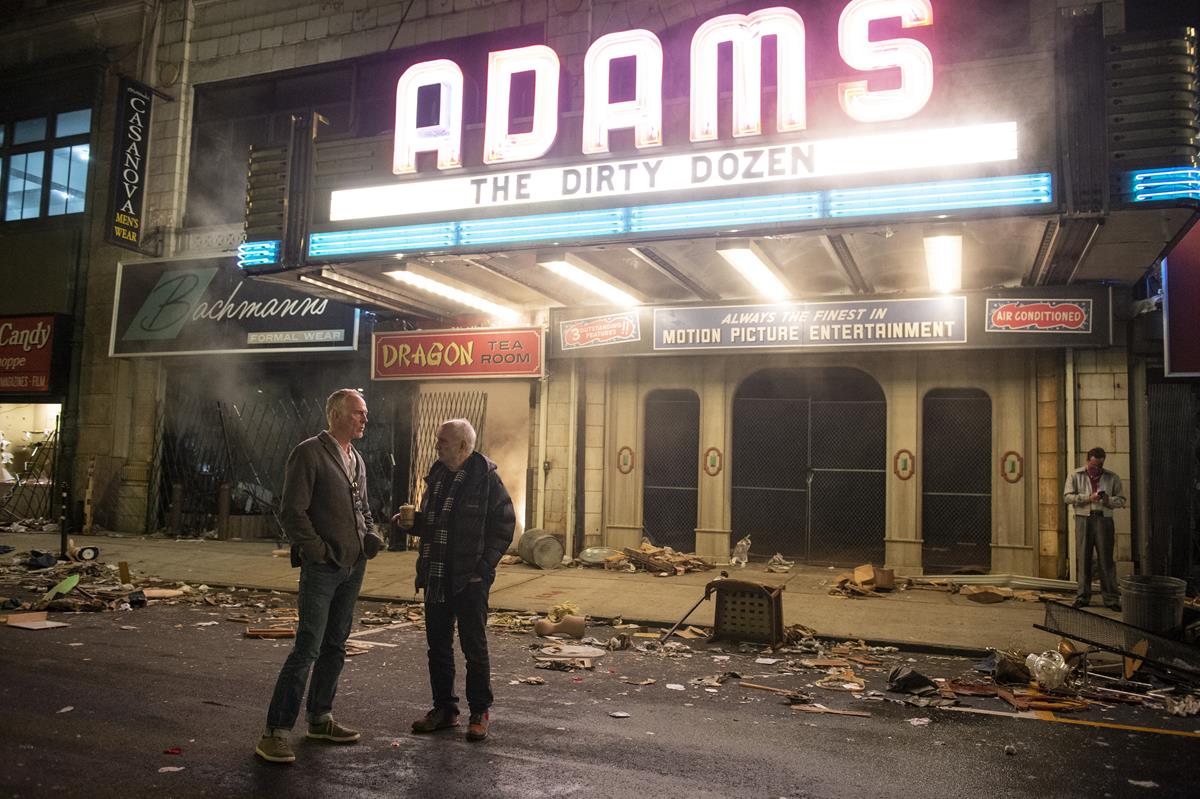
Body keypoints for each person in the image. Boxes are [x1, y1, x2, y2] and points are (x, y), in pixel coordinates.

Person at [255, 388, 385, 764]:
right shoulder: (309, 452)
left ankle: (320, 718)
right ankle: (275, 732)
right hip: (324, 567)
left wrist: (369, 535)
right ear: (336, 414)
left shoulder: (355, 458)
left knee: (335, 645)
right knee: (307, 646)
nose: (364, 419)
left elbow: (362, 505)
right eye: (358, 413)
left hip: (352, 564)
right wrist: (318, 551)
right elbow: (292, 512)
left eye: (364, 414)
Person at [393, 418, 515, 742]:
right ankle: (445, 709)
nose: (437, 446)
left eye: (443, 441)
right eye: (438, 440)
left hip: (469, 580)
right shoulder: (437, 476)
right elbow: (435, 525)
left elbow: (504, 527)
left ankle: (479, 712)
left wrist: (483, 568)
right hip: (436, 575)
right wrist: (412, 524)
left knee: (474, 648)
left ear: (463, 446)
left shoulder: (486, 480)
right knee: (438, 648)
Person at [1063, 446, 1127, 611]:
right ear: (1087, 461)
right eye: (1093, 466)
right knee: (1083, 557)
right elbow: (1067, 497)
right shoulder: (1075, 475)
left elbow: (1121, 500)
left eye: (1099, 466)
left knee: (1106, 559)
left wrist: (1107, 500)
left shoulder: (1112, 477)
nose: (1096, 470)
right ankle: (1083, 597)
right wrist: (1087, 498)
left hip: (1104, 519)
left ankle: (1111, 599)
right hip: (1083, 518)